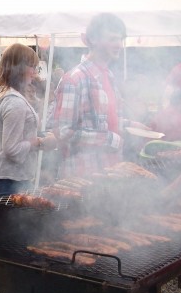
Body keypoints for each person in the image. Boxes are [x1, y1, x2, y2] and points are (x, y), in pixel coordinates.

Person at [0, 43, 57, 293]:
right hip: (8, 175)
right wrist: (40, 143)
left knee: (0, 234)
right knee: (7, 239)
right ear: (21, 68)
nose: (36, 71)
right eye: (33, 66)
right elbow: (12, 150)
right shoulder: (13, 103)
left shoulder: (2, 93)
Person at [52, 13, 147, 178]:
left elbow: (99, 121)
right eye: (112, 39)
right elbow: (62, 132)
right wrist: (109, 139)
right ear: (93, 39)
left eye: (120, 39)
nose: (119, 45)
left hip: (111, 174)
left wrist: (129, 125)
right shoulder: (75, 79)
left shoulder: (108, 76)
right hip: (83, 179)